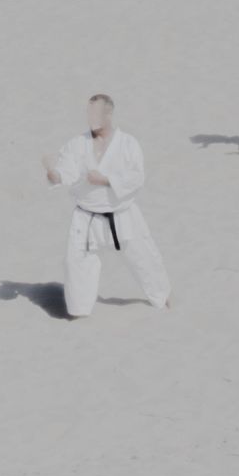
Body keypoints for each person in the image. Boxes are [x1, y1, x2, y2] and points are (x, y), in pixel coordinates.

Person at [43, 94, 171, 318]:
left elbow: (137, 177)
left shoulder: (128, 143)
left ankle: (161, 296)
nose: (90, 117)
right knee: (77, 264)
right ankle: (79, 311)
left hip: (122, 215)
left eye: (96, 113)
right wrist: (56, 175)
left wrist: (106, 180)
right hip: (86, 216)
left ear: (109, 114)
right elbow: (67, 170)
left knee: (144, 259)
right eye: (88, 112)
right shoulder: (77, 144)